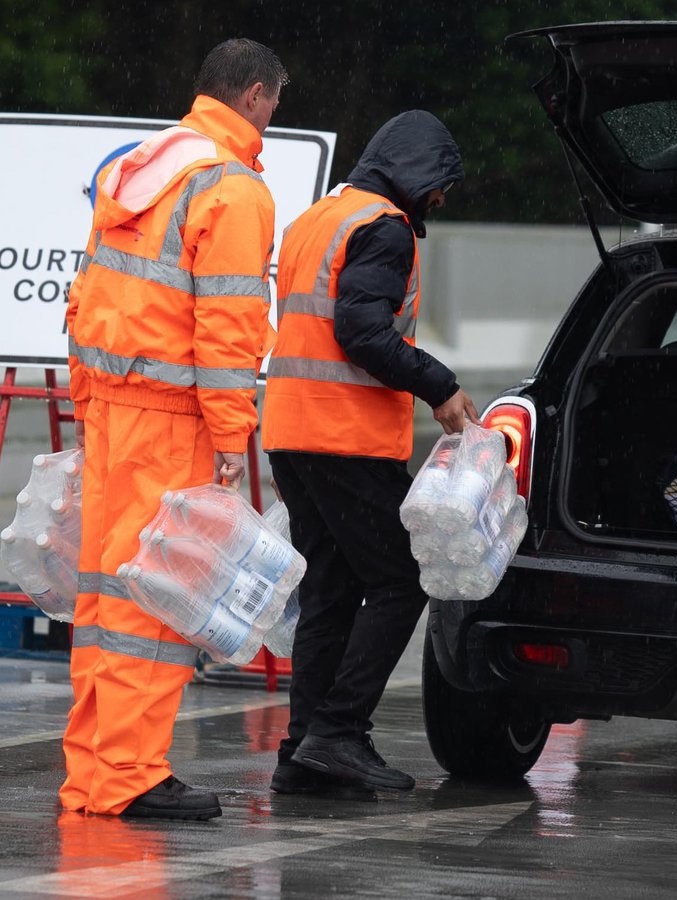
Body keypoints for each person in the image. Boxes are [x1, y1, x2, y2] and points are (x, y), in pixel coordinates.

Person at [62, 38, 286, 820]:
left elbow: (87, 291)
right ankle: (130, 776)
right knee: (155, 597)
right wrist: (233, 441)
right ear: (255, 96)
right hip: (170, 418)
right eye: (275, 103)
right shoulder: (232, 188)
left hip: (115, 409)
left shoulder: (143, 164)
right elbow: (225, 329)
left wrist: (90, 398)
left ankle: (92, 774)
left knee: (102, 596)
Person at [261, 111, 477, 798]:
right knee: (403, 577)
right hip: (343, 434)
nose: (440, 199)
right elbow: (360, 329)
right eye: (440, 183)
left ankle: (303, 751)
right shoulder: (384, 227)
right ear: (415, 170)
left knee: (330, 587)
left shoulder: (319, 217)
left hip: (292, 430)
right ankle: (340, 730)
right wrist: (437, 385)